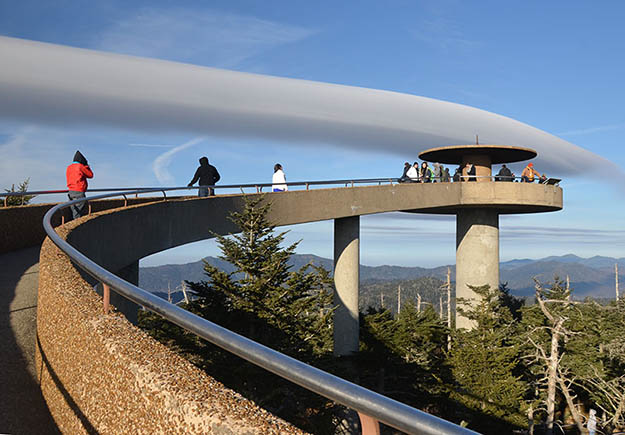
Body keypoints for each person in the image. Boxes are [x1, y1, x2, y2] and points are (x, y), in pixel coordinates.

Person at [66, 150, 93, 220]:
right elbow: (90, 175)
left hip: (70, 191)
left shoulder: (69, 167)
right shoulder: (80, 166)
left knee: (74, 211)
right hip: (79, 191)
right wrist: (87, 166)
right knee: (78, 212)